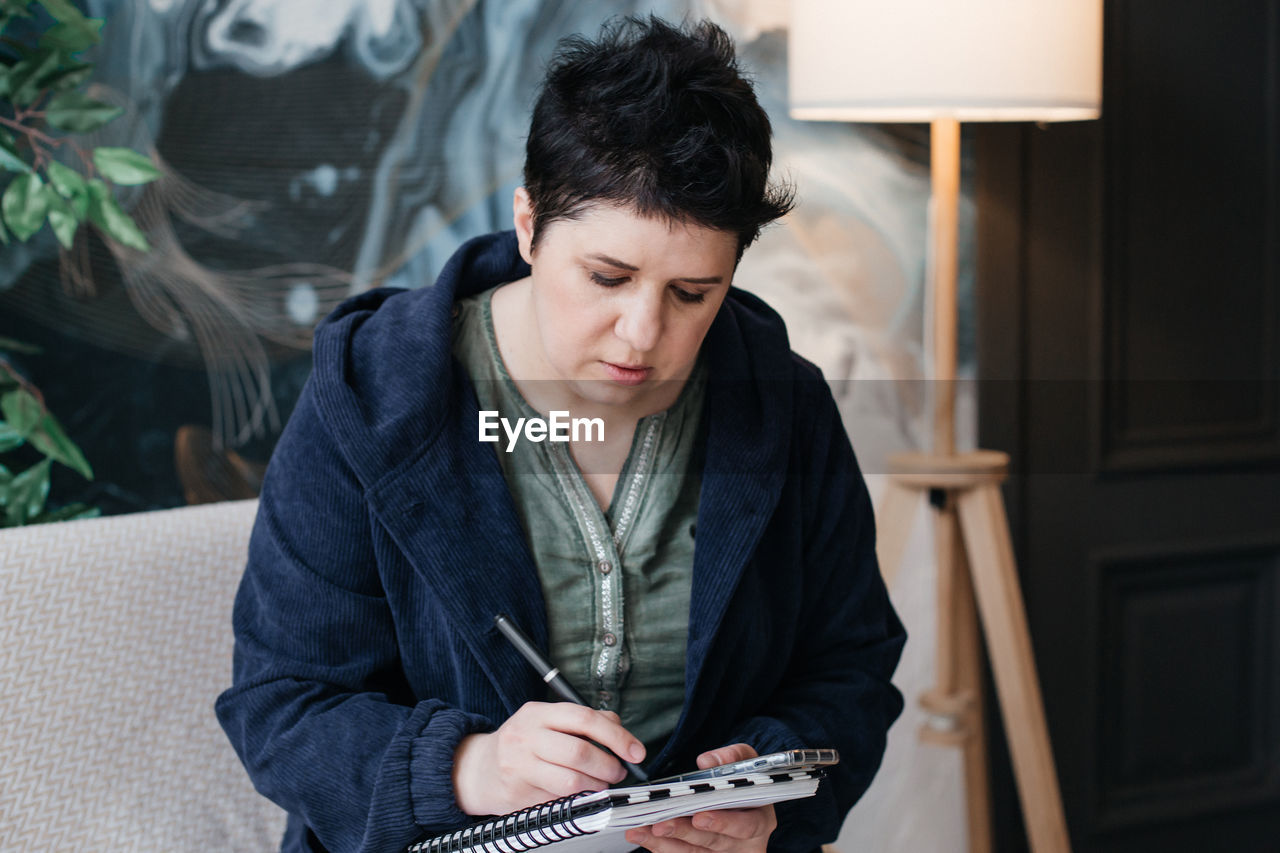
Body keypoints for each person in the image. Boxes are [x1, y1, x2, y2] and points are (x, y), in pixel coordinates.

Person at [216, 15, 905, 853]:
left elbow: (851, 667)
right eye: (607, 277)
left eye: (693, 293)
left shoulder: (784, 407)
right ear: (529, 225)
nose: (641, 334)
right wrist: (471, 766)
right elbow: (281, 705)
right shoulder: (369, 398)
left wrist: (767, 792)